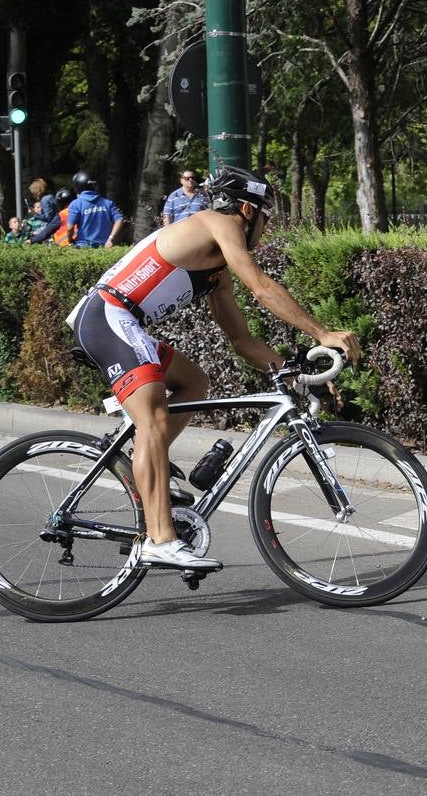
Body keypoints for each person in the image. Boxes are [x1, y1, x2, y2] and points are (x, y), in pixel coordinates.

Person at [66, 166, 361, 569]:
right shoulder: (217, 223)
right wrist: (322, 332)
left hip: (121, 320)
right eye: (266, 218)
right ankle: (159, 539)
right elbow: (260, 285)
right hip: (108, 316)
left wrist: (295, 376)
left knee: (194, 382)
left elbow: (242, 341)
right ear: (247, 209)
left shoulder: (216, 272)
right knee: (152, 418)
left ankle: (148, 469)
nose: (267, 230)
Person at [67, 171, 124, 248]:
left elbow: (70, 227)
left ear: (77, 186)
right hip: (103, 246)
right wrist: (110, 238)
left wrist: (70, 240)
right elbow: (119, 220)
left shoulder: (75, 204)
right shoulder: (108, 203)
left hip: (83, 246)